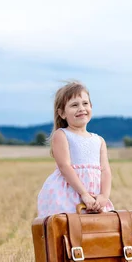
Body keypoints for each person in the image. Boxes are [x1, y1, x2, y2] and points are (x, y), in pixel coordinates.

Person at [37, 81, 114, 217]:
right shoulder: (62, 135)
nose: (81, 108)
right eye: (74, 105)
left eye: (85, 103)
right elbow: (64, 166)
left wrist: (103, 196)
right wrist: (83, 194)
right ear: (62, 113)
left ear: (91, 106)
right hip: (70, 193)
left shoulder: (99, 140)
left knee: (96, 231)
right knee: (70, 228)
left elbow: (105, 170)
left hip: (95, 196)